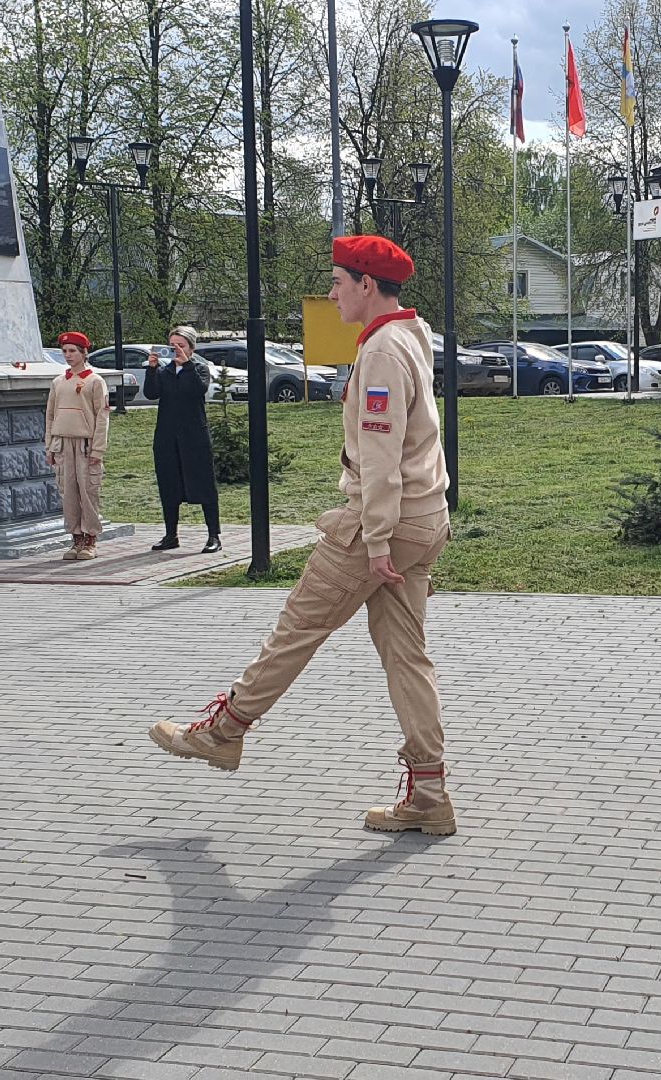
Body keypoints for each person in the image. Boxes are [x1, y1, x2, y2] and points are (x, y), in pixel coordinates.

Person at [148, 234, 457, 835]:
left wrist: (373, 539)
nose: (332, 292)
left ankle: (225, 731)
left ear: (367, 284)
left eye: (339, 281)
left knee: (298, 627)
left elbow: (381, 452)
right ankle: (429, 794)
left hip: (383, 528)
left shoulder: (384, 353)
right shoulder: (407, 337)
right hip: (423, 521)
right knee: (406, 657)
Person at [146, 326, 221, 553]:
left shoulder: (199, 368)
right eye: (172, 345)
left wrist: (187, 364)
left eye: (181, 345)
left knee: (204, 484)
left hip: (194, 437)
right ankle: (171, 535)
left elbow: (198, 389)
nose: (176, 350)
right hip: (167, 437)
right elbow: (151, 393)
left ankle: (213, 535)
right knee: (169, 484)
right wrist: (152, 369)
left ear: (191, 347)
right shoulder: (164, 371)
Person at [47, 331, 111, 561]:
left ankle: (90, 538)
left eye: (73, 351)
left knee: (88, 492)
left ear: (84, 353)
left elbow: (102, 417)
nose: (68, 355)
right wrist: (50, 447)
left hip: (85, 444)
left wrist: (98, 449)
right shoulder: (58, 382)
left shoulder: (95, 381)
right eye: (65, 351)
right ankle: (75, 538)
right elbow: (50, 416)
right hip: (64, 443)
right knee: (69, 494)